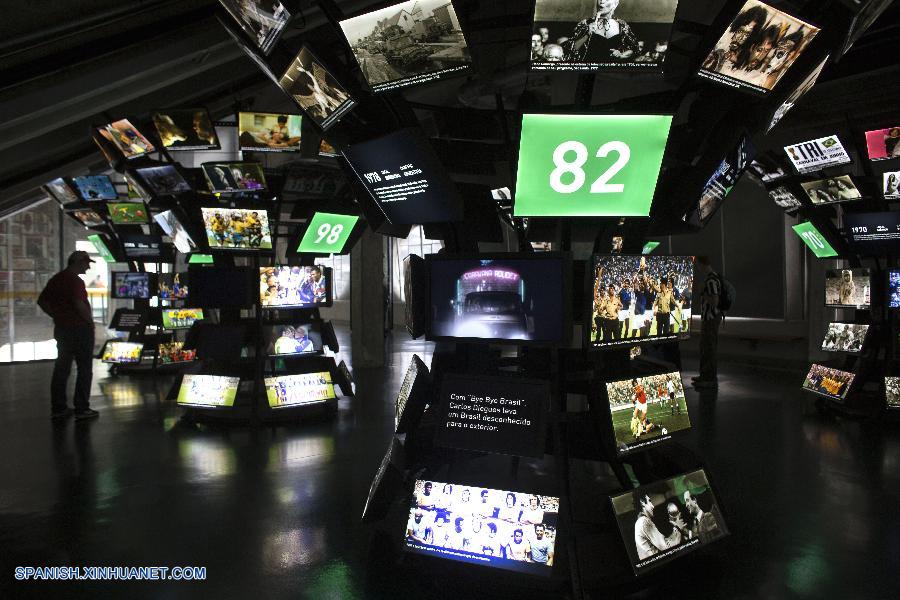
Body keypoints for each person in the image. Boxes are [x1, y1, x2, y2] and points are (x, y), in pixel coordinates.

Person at [37, 251, 100, 420]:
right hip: (80, 330)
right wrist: (90, 322)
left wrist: (57, 315)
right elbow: (79, 304)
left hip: (62, 330)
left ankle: (59, 408)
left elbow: (41, 301)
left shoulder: (57, 279)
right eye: (86, 263)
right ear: (77, 262)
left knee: (62, 369)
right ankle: (82, 408)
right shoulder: (75, 281)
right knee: (84, 369)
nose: (88, 266)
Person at [562, 0, 641, 64]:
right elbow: (569, 50)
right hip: (590, 70)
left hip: (612, 73)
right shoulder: (585, 24)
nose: (602, 1)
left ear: (615, 3)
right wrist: (586, 34)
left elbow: (635, 49)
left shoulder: (622, 26)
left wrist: (621, 54)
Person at [693, 256, 722, 389]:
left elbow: (714, 301)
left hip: (710, 319)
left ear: (702, 264)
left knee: (708, 348)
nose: (698, 268)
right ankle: (705, 375)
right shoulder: (715, 277)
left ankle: (709, 378)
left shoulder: (710, 281)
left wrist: (702, 293)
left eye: (698, 265)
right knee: (705, 347)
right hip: (711, 319)